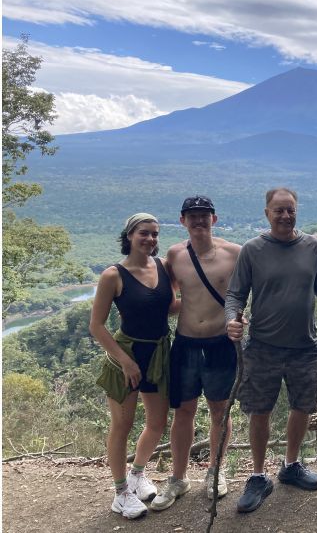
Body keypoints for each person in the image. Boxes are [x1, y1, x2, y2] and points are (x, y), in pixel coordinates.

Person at [226, 188, 317, 514]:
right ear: (267, 213)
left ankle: (291, 466)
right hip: (262, 346)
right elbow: (235, 295)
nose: (285, 216)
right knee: (259, 410)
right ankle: (258, 475)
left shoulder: (312, 246)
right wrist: (230, 322)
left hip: (305, 345)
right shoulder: (252, 250)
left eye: (290, 210)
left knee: (302, 406)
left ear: (297, 211)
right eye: (279, 210)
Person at [150, 196, 241, 511]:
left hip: (220, 343)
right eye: (193, 216)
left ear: (214, 220)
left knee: (220, 411)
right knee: (183, 412)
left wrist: (241, 320)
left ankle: (215, 471)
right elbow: (167, 297)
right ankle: (178, 477)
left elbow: (245, 294)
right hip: (186, 343)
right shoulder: (175, 255)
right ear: (182, 220)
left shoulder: (234, 254)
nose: (199, 221)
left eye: (204, 216)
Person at [89, 213, 178, 519]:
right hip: (125, 354)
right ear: (129, 236)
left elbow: (170, 307)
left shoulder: (164, 266)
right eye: (144, 233)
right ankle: (120, 493)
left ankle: (137, 475)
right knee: (122, 425)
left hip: (158, 353)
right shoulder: (113, 275)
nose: (150, 239)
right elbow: (96, 325)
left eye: (155, 234)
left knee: (157, 422)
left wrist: (209, 299)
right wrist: (125, 362)